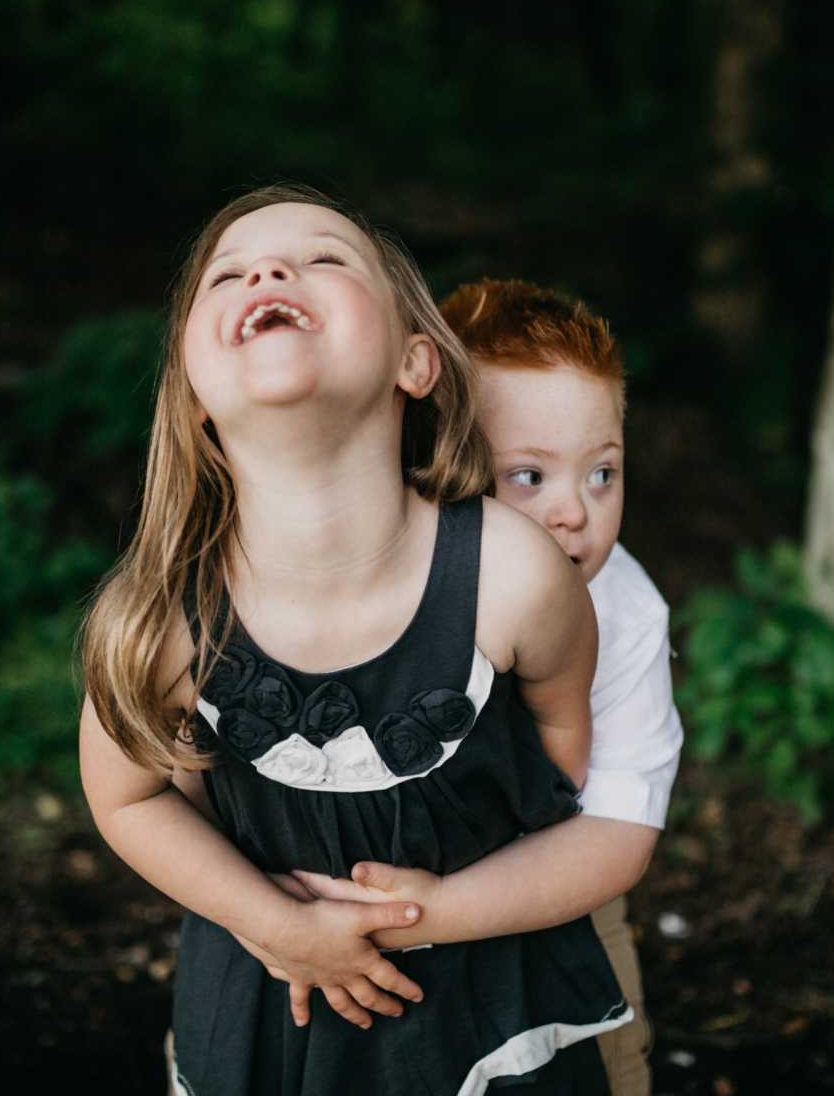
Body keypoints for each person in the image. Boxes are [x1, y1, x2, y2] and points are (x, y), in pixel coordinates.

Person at [78, 185, 629, 1096]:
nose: (267, 270)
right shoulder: (161, 616)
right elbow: (130, 802)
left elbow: (563, 771)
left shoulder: (514, 574)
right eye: (228, 274)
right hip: (268, 1012)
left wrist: (437, 906)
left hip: (483, 1004)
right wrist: (280, 926)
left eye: (324, 258)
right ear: (193, 390)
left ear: (417, 361)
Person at [280, 280, 682, 1096]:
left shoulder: (625, 611)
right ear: (433, 456)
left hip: (554, 898)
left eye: (602, 473)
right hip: (334, 909)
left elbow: (616, 833)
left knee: (609, 1065)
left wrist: (431, 912)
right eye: (528, 475)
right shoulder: (364, 573)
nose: (576, 511)